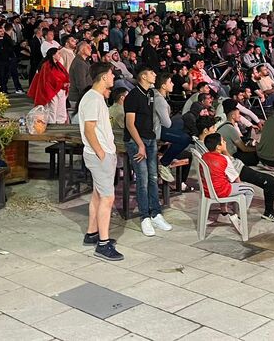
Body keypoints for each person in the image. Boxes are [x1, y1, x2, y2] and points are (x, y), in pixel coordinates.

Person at [78, 62, 123, 261]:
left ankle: (92, 233)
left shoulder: (95, 98)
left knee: (98, 195)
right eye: (111, 74)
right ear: (104, 77)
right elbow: (89, 129)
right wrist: (101, 153)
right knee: (107, 198)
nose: (113, 78)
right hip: (99, 155)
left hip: (100, 154)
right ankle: (103, 244)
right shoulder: (92, 99)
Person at [124, 67, 172, 236]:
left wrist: (152, 139)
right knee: (142, 179)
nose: (155, 75)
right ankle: (144, 216)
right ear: (143, 76)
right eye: (152, 73)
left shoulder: (151, 94)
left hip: (150, 139)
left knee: (153, 177)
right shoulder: (132, 96)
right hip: (136, 141)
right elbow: (130, 123)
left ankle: (156, 213)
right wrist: (140, 144)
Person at [153, 71, 191, 183]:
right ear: (163, 86)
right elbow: (167, 123)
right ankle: (164, 163)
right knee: (185, 138)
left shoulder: (156, 95)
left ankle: (168, 154)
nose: (173, 84)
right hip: (157, 130)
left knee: (182, 123)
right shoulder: (159, 100)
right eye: (170, 82)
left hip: (158, 127)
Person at [28, 47, 71, 124]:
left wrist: (66, 83)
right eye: (58, 53)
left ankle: (60, 125)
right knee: (52, 110)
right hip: (52, 91)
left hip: (61, 90)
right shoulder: (46, 65)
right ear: (53, 55)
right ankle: (52, 126)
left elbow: (65, 75)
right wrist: (62, 84)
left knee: (61, 109)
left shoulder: (58, 64)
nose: (60, 55)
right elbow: (49, 79)